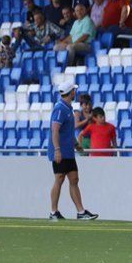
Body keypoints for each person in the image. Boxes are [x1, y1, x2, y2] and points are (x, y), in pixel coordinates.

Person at [48, 81, 98, 221]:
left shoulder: (67, 108)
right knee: (59, 178)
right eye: (74, 91)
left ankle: (81, 212)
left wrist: (76, 144)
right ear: (71, 93)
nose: (75, 93)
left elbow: (67, 132)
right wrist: (57, 149)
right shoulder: (60, 109)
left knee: (74, 179)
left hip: (68, 150)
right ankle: (53, 212)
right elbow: (55, 130)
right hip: (60, 151)